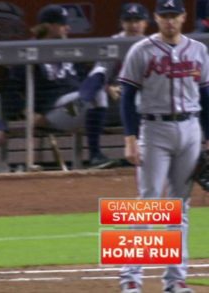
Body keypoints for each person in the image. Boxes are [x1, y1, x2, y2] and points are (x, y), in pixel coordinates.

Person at [119, 0, 209, 292]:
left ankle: (175, 280)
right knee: (148, 203)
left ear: (183, 17)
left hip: (190, 128)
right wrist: (131, 138)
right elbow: (126, 96)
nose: (170, 21)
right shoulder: (140, 50)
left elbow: (206, 97)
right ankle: (131, 278)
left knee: (180, 207)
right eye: (164, 16)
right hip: (154, 129)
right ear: (156, 18)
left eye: (174, 15)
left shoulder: (198, 50)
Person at [24, 4, 117, 168]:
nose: (67, 27)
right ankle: (95, 155)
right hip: (53, 114)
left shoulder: (69, 49)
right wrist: (29, 114)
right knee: (96, 94)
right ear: (48, 26)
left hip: (76, 107)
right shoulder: (30, 50)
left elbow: (82, 78)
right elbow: (12, 88)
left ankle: (99, 155)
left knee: (99, 86)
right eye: (62, 24)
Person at [88, 3, 150, 127]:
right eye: (128, 20)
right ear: (122, 23)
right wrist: (108, 87)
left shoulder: (152, 45)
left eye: (137, 20)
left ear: (145, 23)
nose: (133, 25)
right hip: (117, 101)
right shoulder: (113, 44)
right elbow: (96, 76)